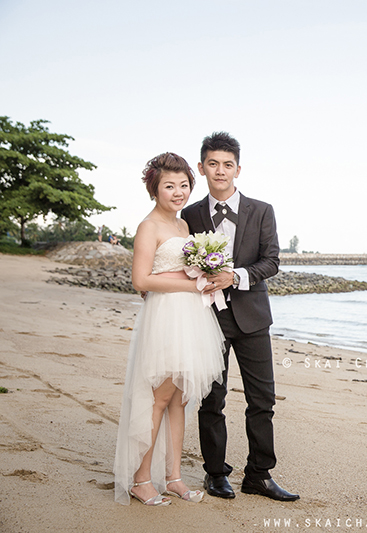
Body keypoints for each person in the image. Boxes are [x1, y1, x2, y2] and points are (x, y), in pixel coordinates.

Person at [181, 132, 298, 501]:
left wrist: (236, 276)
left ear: (238, 169)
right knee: (211, 399)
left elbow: (272, 261)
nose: (220, 171)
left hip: (252, 318)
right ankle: (215, 474)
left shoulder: (262, 210)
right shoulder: (190, 214)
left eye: (227, 164)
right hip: (206, 319)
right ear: (202, 168)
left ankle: (259, 475)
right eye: (212, 164)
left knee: (262, 399)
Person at [114, 153, 226, 506]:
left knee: (180, 399)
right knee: (158, 399)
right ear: (155, 189)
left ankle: (174, 476)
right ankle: (141, 479)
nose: (178, 192)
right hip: (166, 318)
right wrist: (190, 285)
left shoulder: (182, 226)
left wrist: (203, 276)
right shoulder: (149, 226)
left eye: (183, 185)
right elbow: (140, 279)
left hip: (189, 318)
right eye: (169, 186)